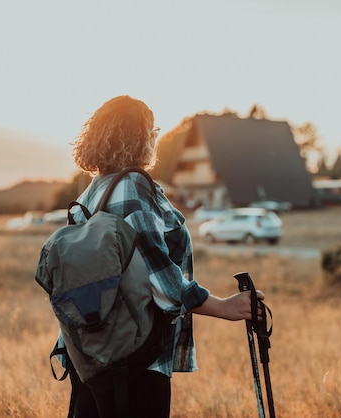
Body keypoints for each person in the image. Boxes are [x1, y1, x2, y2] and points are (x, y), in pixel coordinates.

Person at [69, 95, 264, 418]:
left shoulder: (91, 192)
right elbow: (158, 275)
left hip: (89, 356)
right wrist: (224, 307)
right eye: (152, 129)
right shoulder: (131, 187)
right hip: (136, 358)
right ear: (141, 136)